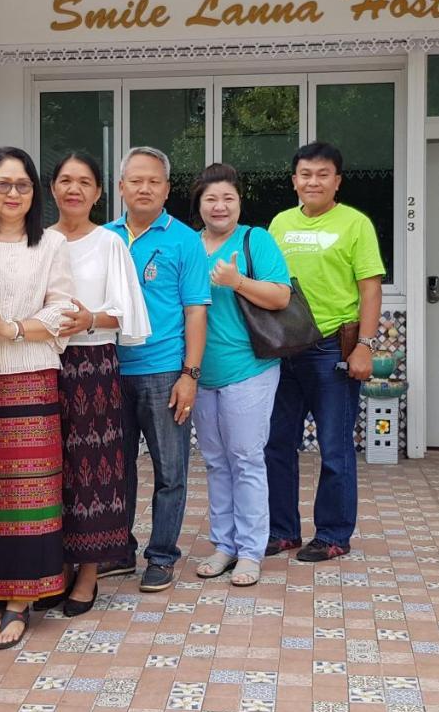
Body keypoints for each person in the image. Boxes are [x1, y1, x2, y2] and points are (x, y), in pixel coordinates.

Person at [0, 146, 74, 649]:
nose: (12, 194)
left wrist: (12, 328)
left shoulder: (50, 244)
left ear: (34, 193)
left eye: (22, 185)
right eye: (2, 184)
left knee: (31, 493)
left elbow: (65, 309)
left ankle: (22, 599)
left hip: (31, 379)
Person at [40, 152, 150, 615]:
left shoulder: (110, 244)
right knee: (50, 470)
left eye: (85, 182)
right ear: (52, 188)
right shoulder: (38, 241)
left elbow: (127, 315)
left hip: (93, 366)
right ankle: (55, 569)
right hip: (42, 363)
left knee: (94, 470)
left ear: (100, 192)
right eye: (65, 180)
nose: (74, 189)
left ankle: (88, 575)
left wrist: (88, 319)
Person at [265, 142, 384, 563]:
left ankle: (333, 534)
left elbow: (370, 288)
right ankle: (282, 531)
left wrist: (365, 347)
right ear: (294, 180)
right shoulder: (279, 224)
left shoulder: (355, 224)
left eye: (322, 174)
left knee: (334, 448)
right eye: (305, 174)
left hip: (331, 347)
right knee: (276, 444)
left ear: (337, 180)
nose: (312, 181)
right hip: (282, 350)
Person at [101, 147, 210, 593]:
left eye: (154, 182)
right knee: (115, 468)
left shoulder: (184, 240)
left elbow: (196, 312)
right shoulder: (103, 237)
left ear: (166, 189)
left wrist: (190, 374)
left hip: (164, 371)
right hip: (108, 371)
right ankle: (118, 550)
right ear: (121, 186)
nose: (144, 188)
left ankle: (162, 555)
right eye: (135, 180)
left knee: (170, 470)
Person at [191, 164, 292, 587]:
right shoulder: (189, 245)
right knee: (215, 461)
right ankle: (224, 545)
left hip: (250, 368)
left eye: (228, 198)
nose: (220, 206)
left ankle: (251, 550)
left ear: (239, 202)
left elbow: (281, 295)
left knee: (246, 458)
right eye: (212, 199)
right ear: (199, 204)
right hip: (200, 373)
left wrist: (237, 281)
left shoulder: (256, 240)